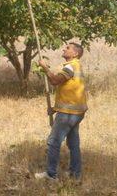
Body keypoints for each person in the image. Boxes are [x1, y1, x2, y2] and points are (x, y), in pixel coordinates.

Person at [34, 42, 87, 182]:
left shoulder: (70, 66)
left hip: (68, 113)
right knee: (73, 144)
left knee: (53, 142)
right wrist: (55, 109)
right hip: (76, 112)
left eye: (68, 48)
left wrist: (45, 68)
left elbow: (55, 81)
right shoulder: (76, 66)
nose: (64, 49)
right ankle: (75, 175)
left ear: (75, 54)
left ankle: (51, 175)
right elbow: (70, 92)